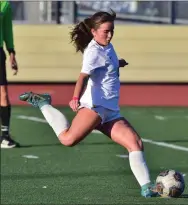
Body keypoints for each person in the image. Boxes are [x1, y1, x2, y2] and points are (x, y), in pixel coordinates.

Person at [19, 10, 159, 197]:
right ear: (94, 31)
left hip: (110, 110)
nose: (109, 35)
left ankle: (146, 186)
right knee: (67, 140)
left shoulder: (107, 46)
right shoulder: (93, 51)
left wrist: (118, 63)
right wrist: (75, 98)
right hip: (95, 107)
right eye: (105, 31)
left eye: (112, 31)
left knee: (135, 143)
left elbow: (106, 63)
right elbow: (82, 77)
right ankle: (44, 103)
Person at [0, 1, 20, 148]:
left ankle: (5, 137)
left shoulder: (4, 4)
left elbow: (7, 29)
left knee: (3, 93)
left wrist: (11, 51)